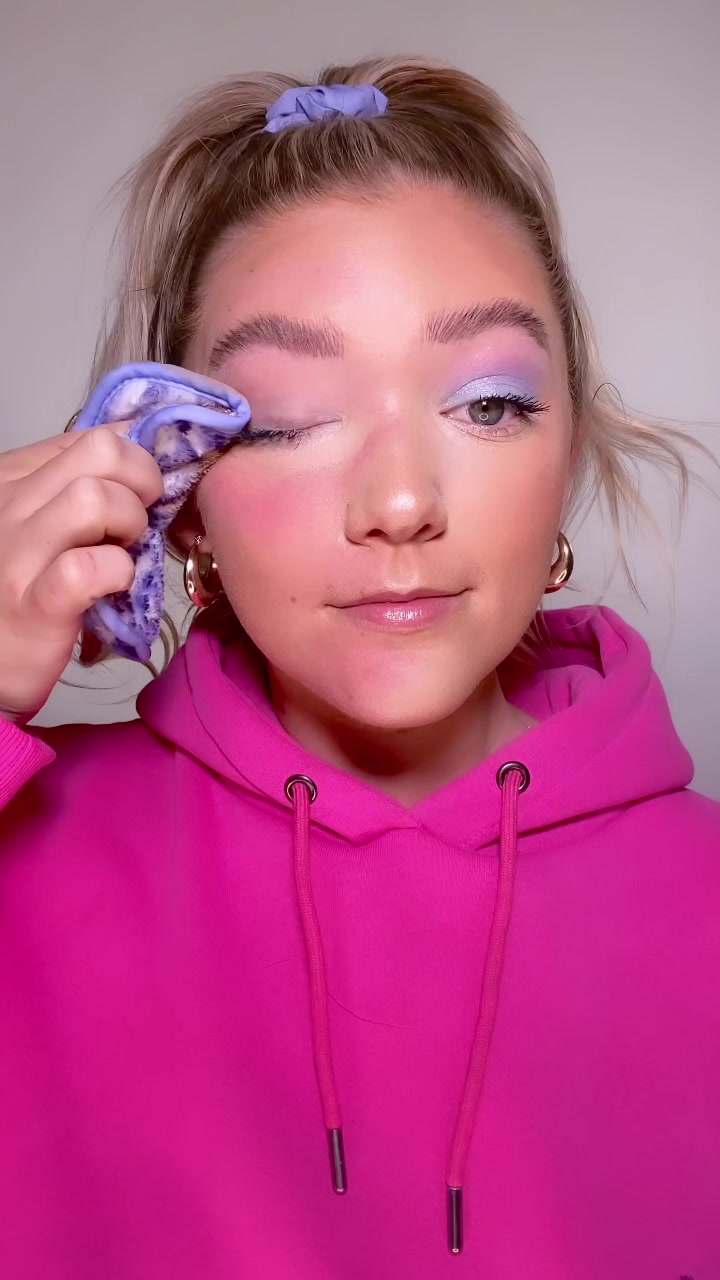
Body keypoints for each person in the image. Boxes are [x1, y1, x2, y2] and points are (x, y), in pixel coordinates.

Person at [0, 56, 718, 1280]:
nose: (398, 502)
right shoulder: (30, 852)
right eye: (284, 418)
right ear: (181, 490)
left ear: (570, 447)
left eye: (489, 404)